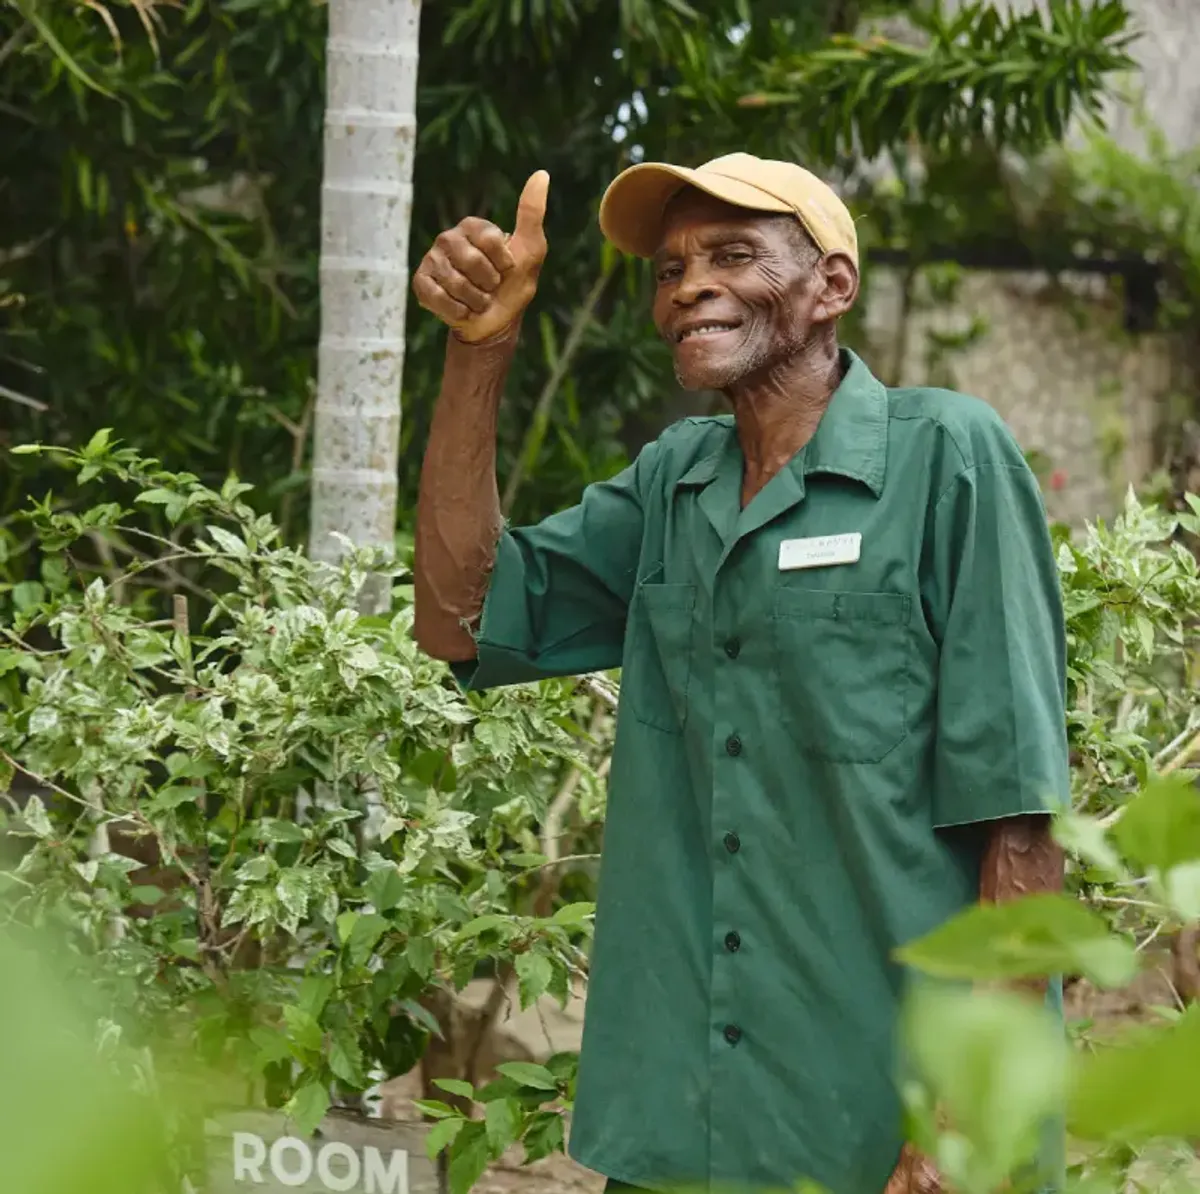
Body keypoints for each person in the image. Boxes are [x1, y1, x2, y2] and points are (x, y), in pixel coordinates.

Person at [410, 153, 1068, 1194]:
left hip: (881, 1124)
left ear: (831, 288)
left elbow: (1021, 828)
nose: (688, 287)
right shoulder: (674, 483)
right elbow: (457, 617)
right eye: (670, 270)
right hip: (689, 1129)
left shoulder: (947, 457)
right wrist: (478, 353)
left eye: (730, 256)